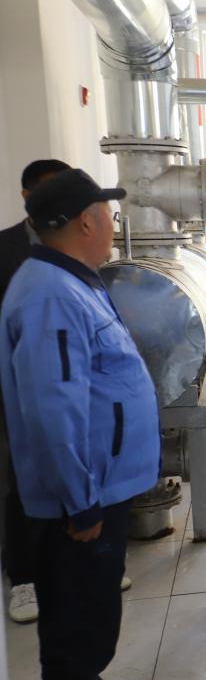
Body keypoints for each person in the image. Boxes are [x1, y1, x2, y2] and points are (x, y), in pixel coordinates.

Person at [0, 168, 160, 678]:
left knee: (88, 624)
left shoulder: (70, 281)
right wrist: (81, 500)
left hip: (97, 485)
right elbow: (51, 409)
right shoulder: (51, 295)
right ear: (86, 223)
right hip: (83, 499)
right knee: (79, 635)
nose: (114, 225)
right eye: (109, 215)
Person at [0, 159, 70, 624]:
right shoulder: (5, 249)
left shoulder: (74, 247)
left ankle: (71, 565)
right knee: (23, 478)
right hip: (20, 387)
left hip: (70, 386)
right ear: (27, 198)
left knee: (71, 469)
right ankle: (23, 578)